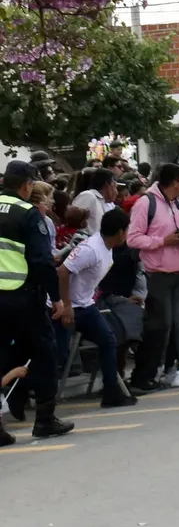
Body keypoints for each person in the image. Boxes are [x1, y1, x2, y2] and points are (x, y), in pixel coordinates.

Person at [0, 161, 75, 439]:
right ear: (27, 185)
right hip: (22, 296)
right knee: (44, 353)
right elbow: (42, 262)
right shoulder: (28, 214)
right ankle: (45, 419)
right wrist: (56, 298)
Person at [126, 163, 179, 391]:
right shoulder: (145, 204)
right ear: (175, 181)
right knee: (162, 324)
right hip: (158, 274)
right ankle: (158, 368)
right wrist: (162, 242)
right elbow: (133, 239)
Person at [55, 207, 138, 408]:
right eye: (127, 230)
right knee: (57, 355)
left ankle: (111, 393)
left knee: (107, 340)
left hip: (85, 305)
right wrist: (66, 305)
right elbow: (62, 272)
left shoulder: (108, 249)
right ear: (120, 232)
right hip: (67, 306)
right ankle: (23, 389)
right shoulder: (90, 249)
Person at [71, 167, 117, 235]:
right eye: (115, 186)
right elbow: (74, 222)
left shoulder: (106, 203)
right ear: (107, 185)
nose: (116, 191)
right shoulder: (88, 196)